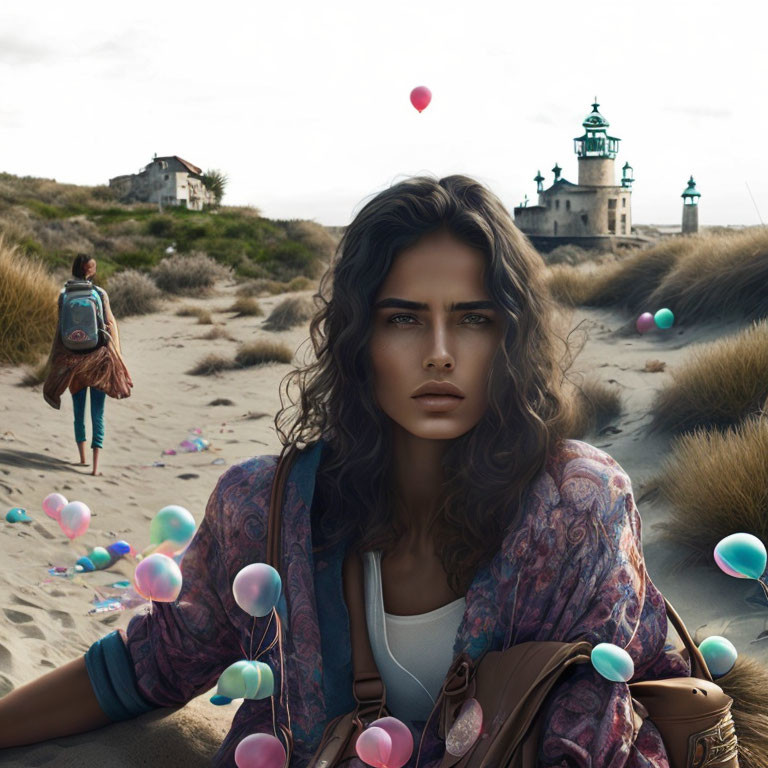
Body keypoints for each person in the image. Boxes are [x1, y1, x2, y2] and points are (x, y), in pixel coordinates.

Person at [0, 175, 692, 766]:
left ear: (510, 336)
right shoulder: (262, 506)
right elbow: (151, 663)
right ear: (360, 337)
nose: (441, 352)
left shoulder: (576, 507)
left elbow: (597, 727)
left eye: (474, 319)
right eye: (404, 319)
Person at [42, 254, 133, 475]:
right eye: (93, 265)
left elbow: (60, 330)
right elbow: (110, 323)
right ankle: (94, 467)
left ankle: (81, 458)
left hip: (73, 361)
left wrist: (56, 361)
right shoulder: (99, 293)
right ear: (88, 270)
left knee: (79, 412)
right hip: (99, 360)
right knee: (97, 414)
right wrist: (117, 357)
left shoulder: (64, 295)